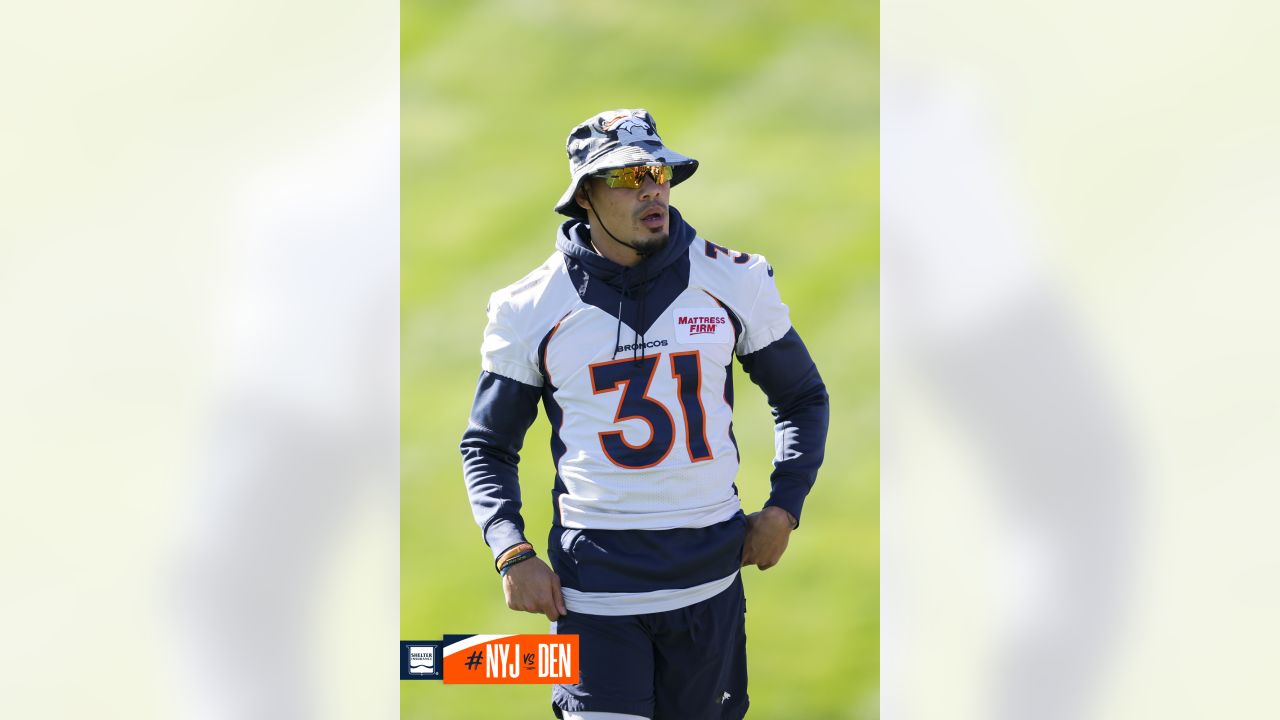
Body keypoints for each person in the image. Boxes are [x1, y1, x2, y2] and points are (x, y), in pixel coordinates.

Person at [460, 108, 830, 720]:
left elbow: (801, 398)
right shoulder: (527, 308)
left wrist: (786, 505)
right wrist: (512, 550)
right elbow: (487, 446)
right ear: (585, 197)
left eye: (656, 171)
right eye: (628, 177)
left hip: (709, 586)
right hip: (596, 597)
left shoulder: (735, 280)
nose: (652, 188)